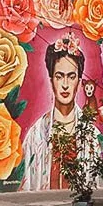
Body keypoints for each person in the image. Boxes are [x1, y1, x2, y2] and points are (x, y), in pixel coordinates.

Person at [21, 35, 86, 191]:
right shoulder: (37, 133)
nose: (65, 85)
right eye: (59, 76)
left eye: (71, 77)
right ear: (51, 81)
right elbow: (27, 181)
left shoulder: (90, 134)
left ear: (79, 81)